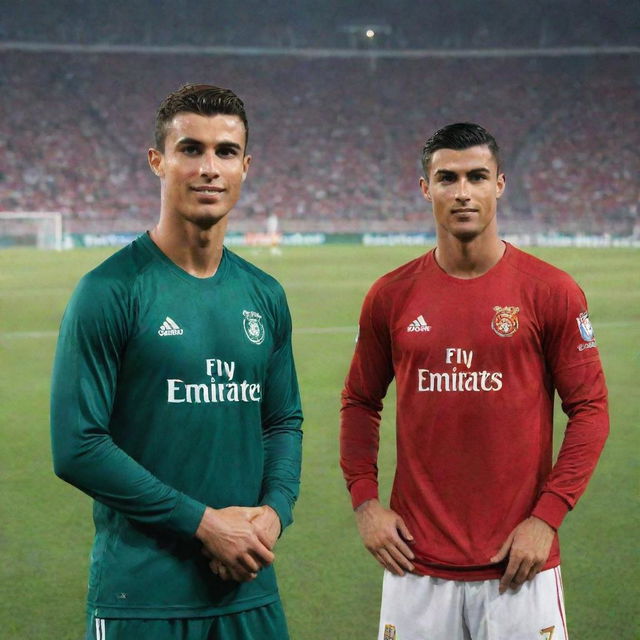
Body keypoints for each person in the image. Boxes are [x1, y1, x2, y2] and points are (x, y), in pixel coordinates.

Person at [51, 84, 303, 640]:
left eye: (225, 151)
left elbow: (282, 421)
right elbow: (77, 446)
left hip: (248, 588)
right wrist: (205, 525)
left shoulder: (265, 295)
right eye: (191, 149)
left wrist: (273, 513)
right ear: (157, 161)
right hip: (143, 597)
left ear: (245, 166)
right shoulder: (109, 291)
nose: (209, 167)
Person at [340, 122, 608, 640]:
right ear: (426, 188)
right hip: (414, 566)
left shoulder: (550, 291)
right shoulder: (389, 296)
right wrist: (365, 501)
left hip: (520, 564)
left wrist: (547, 518)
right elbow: (358, 401)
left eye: (477, 177)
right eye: (447, 178)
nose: (462, 192)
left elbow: (591, 409)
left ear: (500, 184)